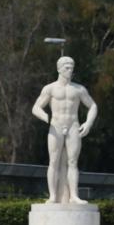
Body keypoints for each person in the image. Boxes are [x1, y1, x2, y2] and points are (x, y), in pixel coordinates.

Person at [32, 56, 97, 205]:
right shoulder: (50, 88)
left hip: (73, 125)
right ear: (59, 69)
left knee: (73, 162)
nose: (70, 70)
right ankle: (53, 196)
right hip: (56, 126)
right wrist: (45, 117)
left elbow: (93, 106)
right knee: (53, 161)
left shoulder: (79, 89)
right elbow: (36, 107)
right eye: (67, 68)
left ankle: (74, 195)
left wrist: (88, 123)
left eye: (72, 67)